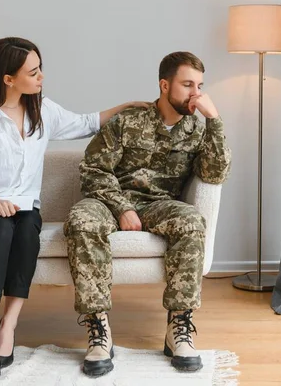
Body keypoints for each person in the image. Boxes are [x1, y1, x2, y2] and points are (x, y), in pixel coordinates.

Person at [0, 36, 148, 380]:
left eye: (41, 69)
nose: (41, 77)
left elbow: (87, 122)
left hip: (23, 208)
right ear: (8, 78)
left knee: (26, 229)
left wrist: (126, 106)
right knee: (0, 225)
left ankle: (8, 325)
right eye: (33, 71)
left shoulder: (43, 110)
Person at [64, 51, 232, 377]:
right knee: (81, 220)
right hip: (109, 200)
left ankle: (178, 326)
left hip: (159, 204)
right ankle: (98, 329)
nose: (195, 92)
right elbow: (94, 170)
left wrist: (214, 120)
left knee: (192, 220)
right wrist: (122, 207)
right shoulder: (128, 121)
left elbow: (214, 174)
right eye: (187, 85)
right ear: (164, 85)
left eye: (199, 85)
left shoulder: (197, 130)